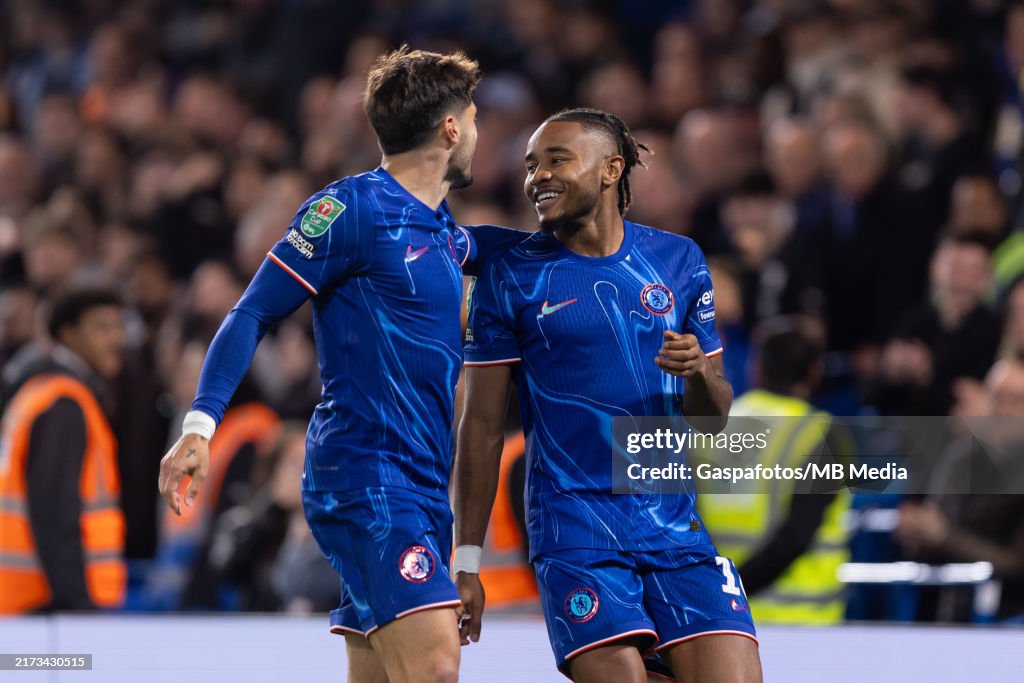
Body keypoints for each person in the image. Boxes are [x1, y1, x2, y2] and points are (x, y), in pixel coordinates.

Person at [158, 46, 520, 683]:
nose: (480, 134)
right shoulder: (351, 210)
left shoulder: (441, 232)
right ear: (451, 128)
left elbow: (489, 247)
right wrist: (200, 425)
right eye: (476, 118)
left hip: (421, 484)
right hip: (365, 475)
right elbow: (251, 313)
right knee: (436, 665)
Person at [454, 108, 762, 682]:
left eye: (555, 159)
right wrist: (466, 558)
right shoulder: (511, 275)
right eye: (529, 165)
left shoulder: (680, 261)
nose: (536, 177)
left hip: (675, 528)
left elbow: (714, 419)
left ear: (610, 169)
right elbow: (480, 426)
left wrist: (697, 371)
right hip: (575, 530)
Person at [697, 318, 851, 624]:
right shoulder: (821, 432)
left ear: (757, 367)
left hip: (723, 617)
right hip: (804, 620)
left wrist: (723, 590)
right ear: (814, 371)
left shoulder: (713, 427)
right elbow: (797, 533)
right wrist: (738, 585)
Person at [0, 287, 127, 613]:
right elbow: (55, 514)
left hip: (25, 602)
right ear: (68, 335)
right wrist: (79, 610)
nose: (116, 338)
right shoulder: (64, 403)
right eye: (101, 328)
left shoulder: (38, 393)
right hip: (46, 608)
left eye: (118, 327)